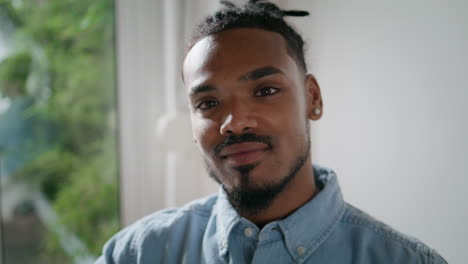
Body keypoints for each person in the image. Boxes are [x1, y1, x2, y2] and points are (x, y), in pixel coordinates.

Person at [97, 1, 447, 263]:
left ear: (312, 98)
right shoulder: (137, 253)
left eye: (265, 91)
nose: (234, 122)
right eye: (207, 103)